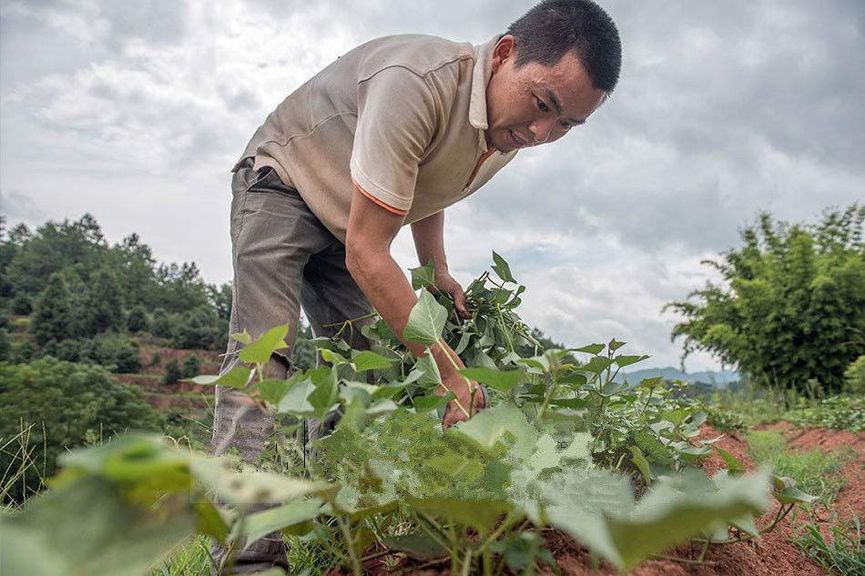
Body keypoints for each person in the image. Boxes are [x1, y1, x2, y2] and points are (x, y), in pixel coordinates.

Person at [210, 0, 621, 572]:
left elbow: (433, 180)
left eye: (567, 125)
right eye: (543, 105)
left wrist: (437, 268)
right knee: (262, 360)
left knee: (364, 371)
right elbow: (367, 252)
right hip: (285, 183)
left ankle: (336, 534)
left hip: (350, 220)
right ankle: (248, 560)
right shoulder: (417, 83)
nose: (543, 132)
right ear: (504, 55)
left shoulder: (507, 129)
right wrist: (448, 371)